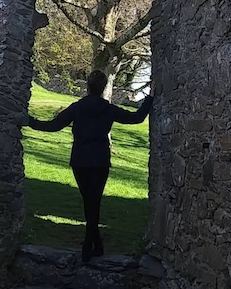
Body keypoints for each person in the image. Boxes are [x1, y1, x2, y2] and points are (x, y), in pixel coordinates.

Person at [27, 70, 153, 262]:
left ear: (87, 86)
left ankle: (91, 244)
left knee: (88, 200)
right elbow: (136, 118)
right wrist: (150, 100)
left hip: (80, 159)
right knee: (94, 201)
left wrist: (29, 121)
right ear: (103, 88)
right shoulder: (108, 109)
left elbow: (53, 126)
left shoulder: (78, 107)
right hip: (100, 159)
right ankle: (93, 243)